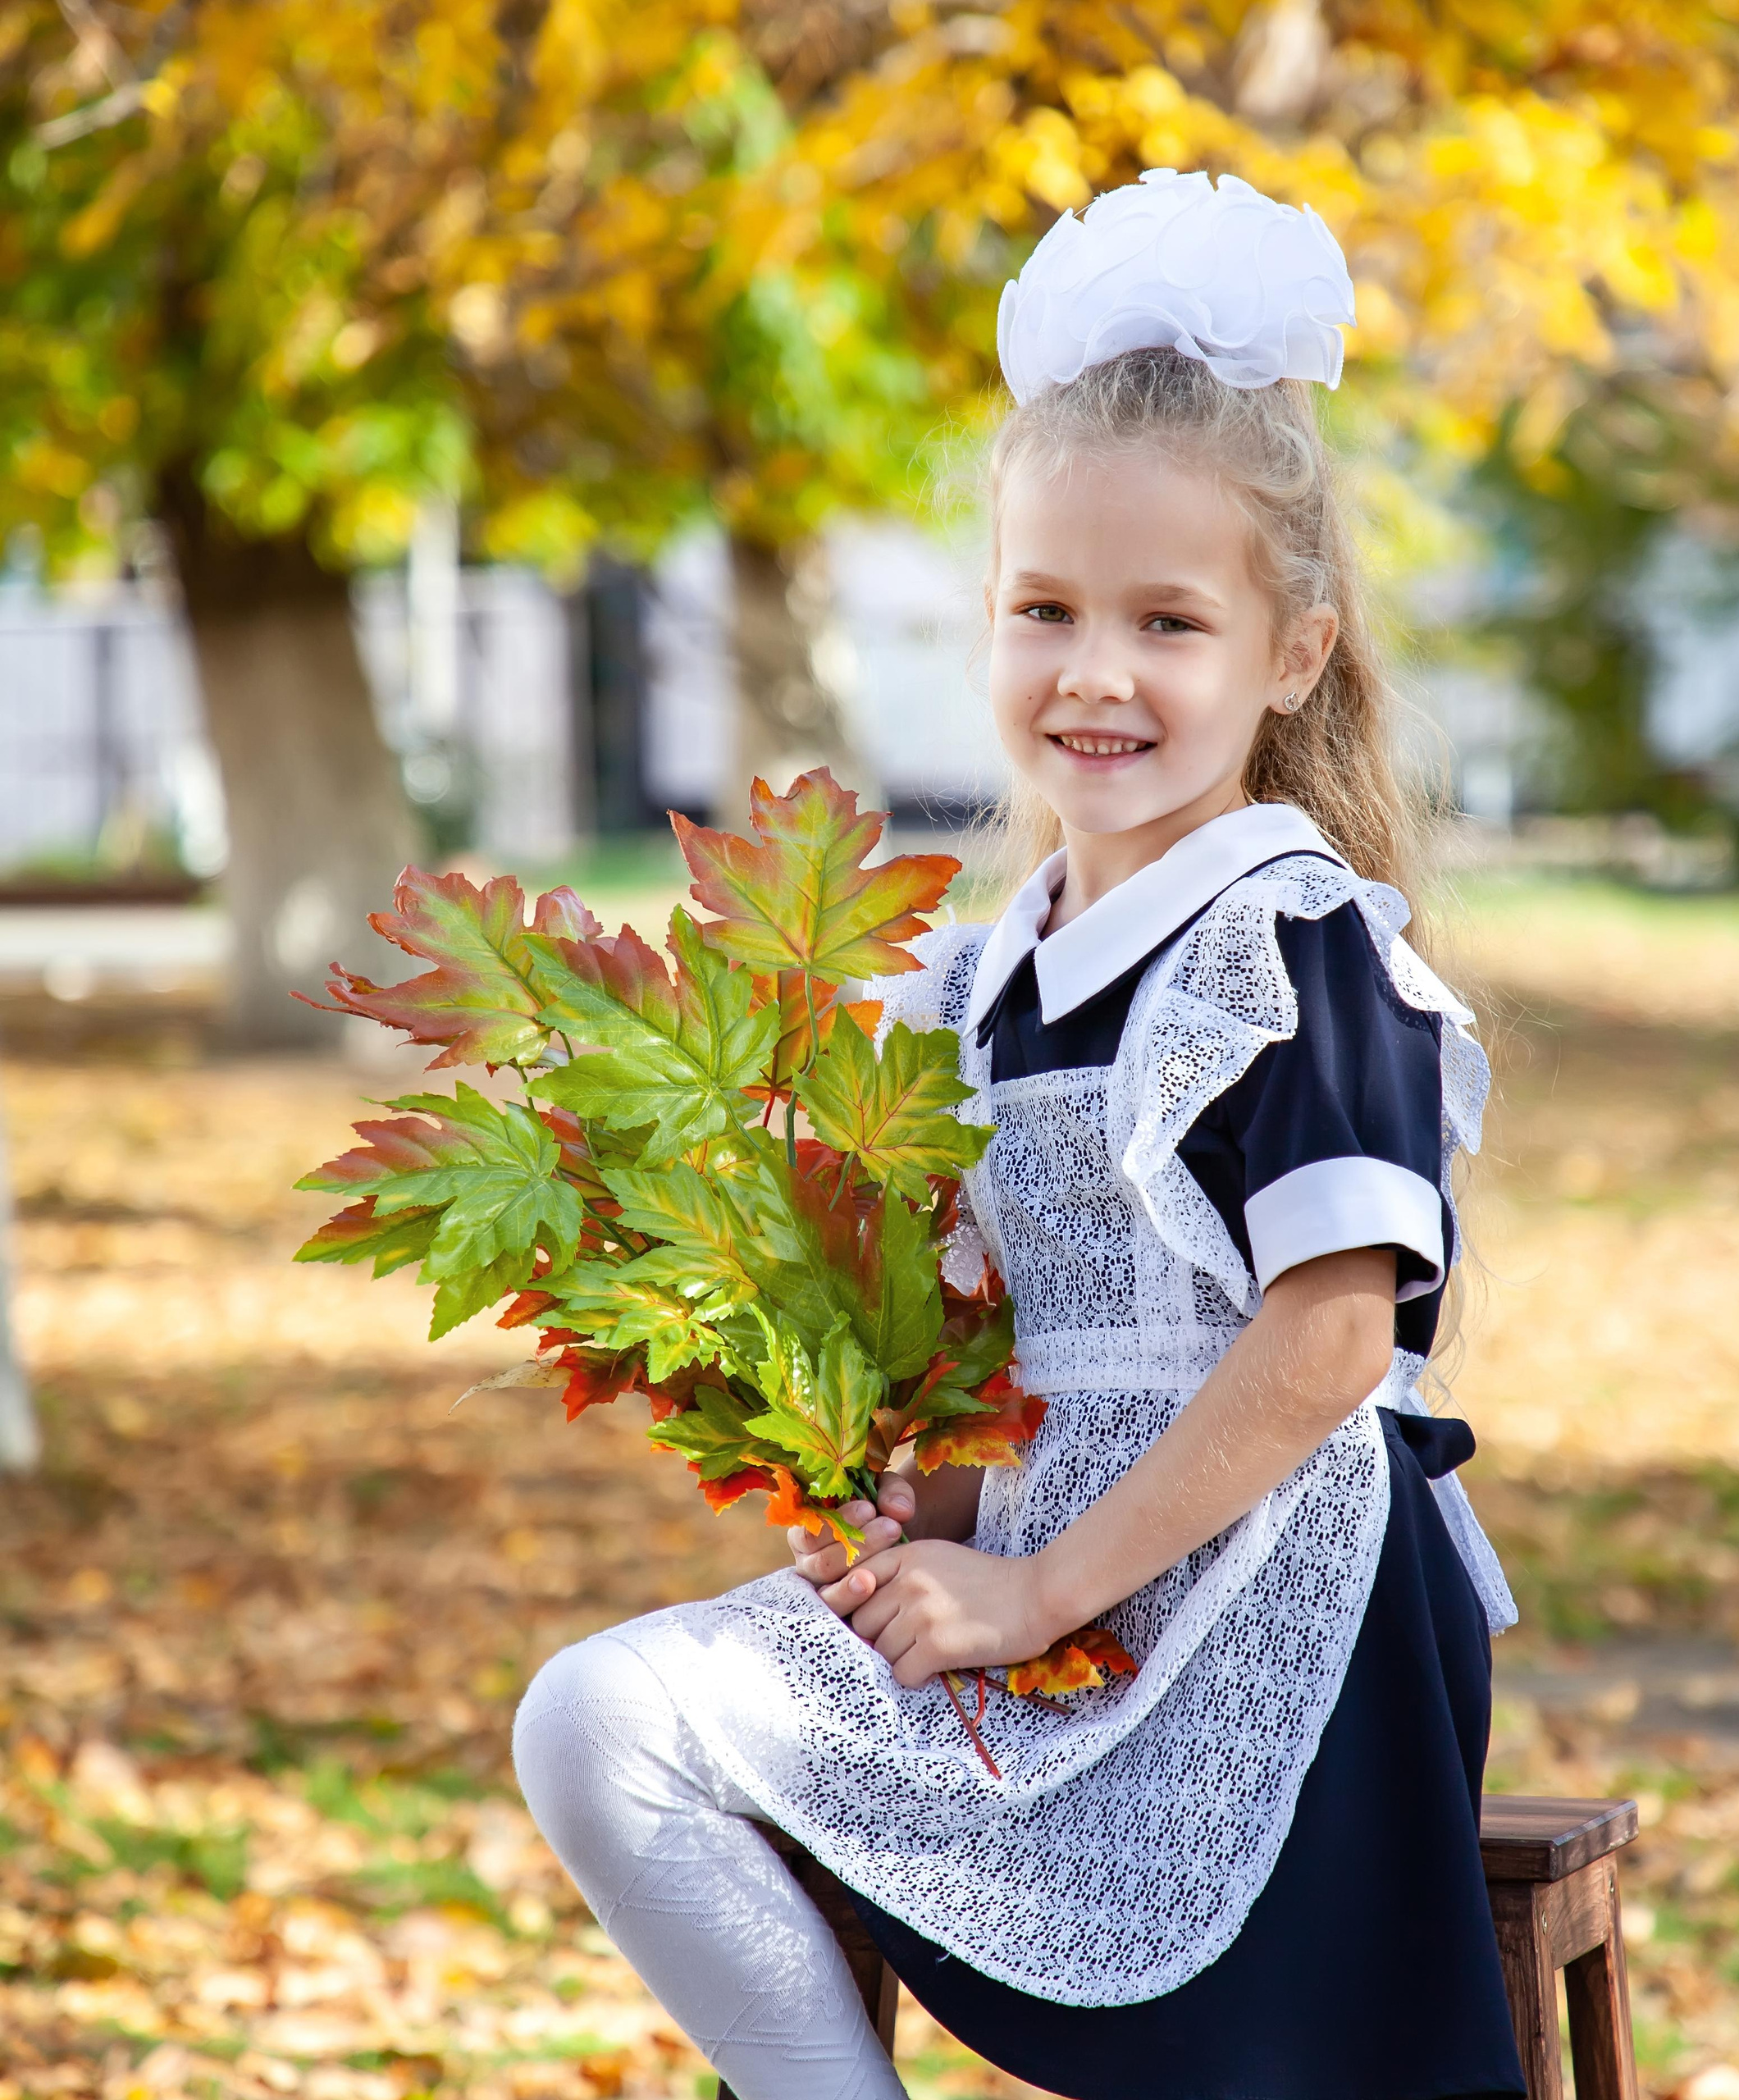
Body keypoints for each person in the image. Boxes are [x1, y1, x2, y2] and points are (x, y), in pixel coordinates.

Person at [513, 168, 1526, 2100]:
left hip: (1269, 1625)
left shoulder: (1292, 945)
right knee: (601, 1716)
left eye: (1167, 620)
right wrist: (936, 1513)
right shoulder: (973, 984)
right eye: (1044, 607)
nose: (1094, 671)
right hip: (1050, 1589)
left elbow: (1326, 1341)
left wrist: (1034, 1588)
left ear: (1288, 653)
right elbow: (1030, 1340)